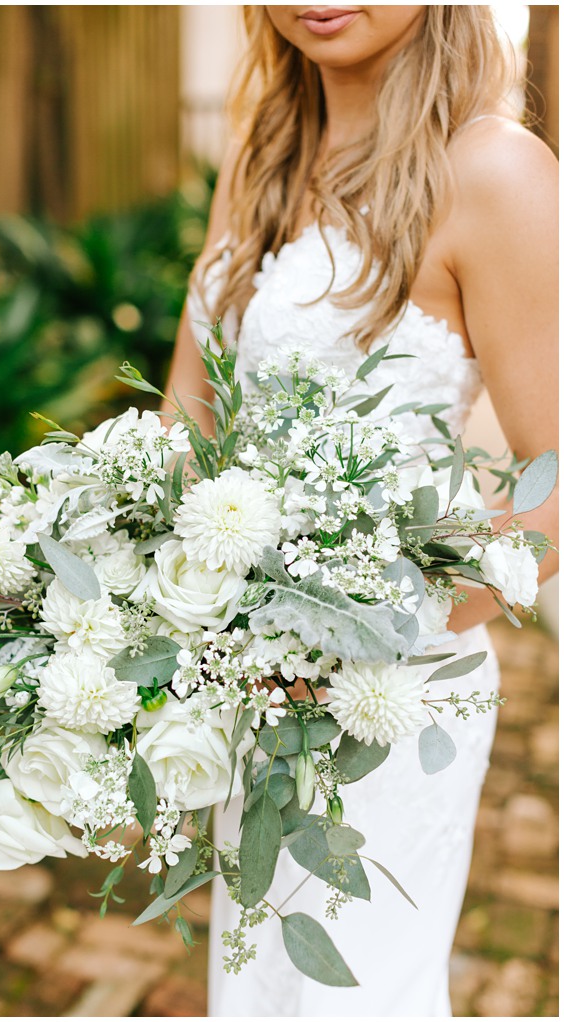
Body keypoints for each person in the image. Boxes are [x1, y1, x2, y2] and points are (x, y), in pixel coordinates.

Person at [161, 6, 559, 1015]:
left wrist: (364, 632)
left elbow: (561, 483)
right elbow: (186, 424)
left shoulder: (496, 172)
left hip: (391, 699)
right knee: (260, 984)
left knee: (357, 993)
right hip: (249, 689)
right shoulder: (260, 150)